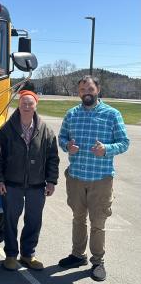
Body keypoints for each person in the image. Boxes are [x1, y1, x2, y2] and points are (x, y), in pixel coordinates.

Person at [57, 75, 129, 282]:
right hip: (76, 177)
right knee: (78, 219)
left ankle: (98, 261)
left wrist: (106, 149)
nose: (86, 92)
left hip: (101, 179)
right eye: (82, 90)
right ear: (78, 92)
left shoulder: (112, 114)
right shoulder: (72, 114)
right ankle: (78, 255)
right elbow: (62, 138)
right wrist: (67, 146)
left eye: (89, 88)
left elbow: (124, 142)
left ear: (98, 89)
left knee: (98, 222)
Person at [0, 86, 59, 271]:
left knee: (34, 221)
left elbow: (53, 157)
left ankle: (28, 254)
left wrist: (51, 180)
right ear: (18, 105)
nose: (27, 106)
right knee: (11, 221)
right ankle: (11, 255)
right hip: (12, 184)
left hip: (37, 185)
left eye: (30, 103)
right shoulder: (7, 129)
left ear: (36, 105)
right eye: (23, 103)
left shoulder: (46, 130)